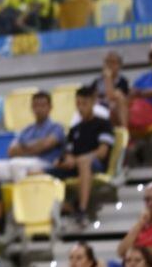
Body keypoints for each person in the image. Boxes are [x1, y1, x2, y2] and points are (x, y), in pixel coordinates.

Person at [49, 86, 115, 225]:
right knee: (37, 172)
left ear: (92, 102)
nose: (80, 107)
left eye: (84, 103)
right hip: (75, 165)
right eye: (78, 103)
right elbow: (68, 153)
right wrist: (65, 160)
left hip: (94, 164)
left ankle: (82, 210)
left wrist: (78, 159)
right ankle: (64, 207)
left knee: (84, 161)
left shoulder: (103, 124)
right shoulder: (74, 129)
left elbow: (102, 153)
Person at [0, 91, 64, 183]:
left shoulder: (56, 127)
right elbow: (11, 151)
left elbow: (47, 144)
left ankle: (23, 195)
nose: (39, 109)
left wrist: (24, 147)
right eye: (36, 105)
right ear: (32, 107)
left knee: (16, 165)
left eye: (43, 105)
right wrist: (37, 145)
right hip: (18, 163)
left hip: (44, 163)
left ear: (50, 107)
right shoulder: (27, 129)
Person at [88, 50, 129, 127]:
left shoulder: (123, 81)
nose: (109, 65)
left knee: (118, 99)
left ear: (119, 65)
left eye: (113, 62)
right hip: (97, 108)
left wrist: (108, 79)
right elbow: (90, 96)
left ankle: (124, 132)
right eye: (107, 62)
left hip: (114, 111)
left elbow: (111, 96)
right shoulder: (97, 81)